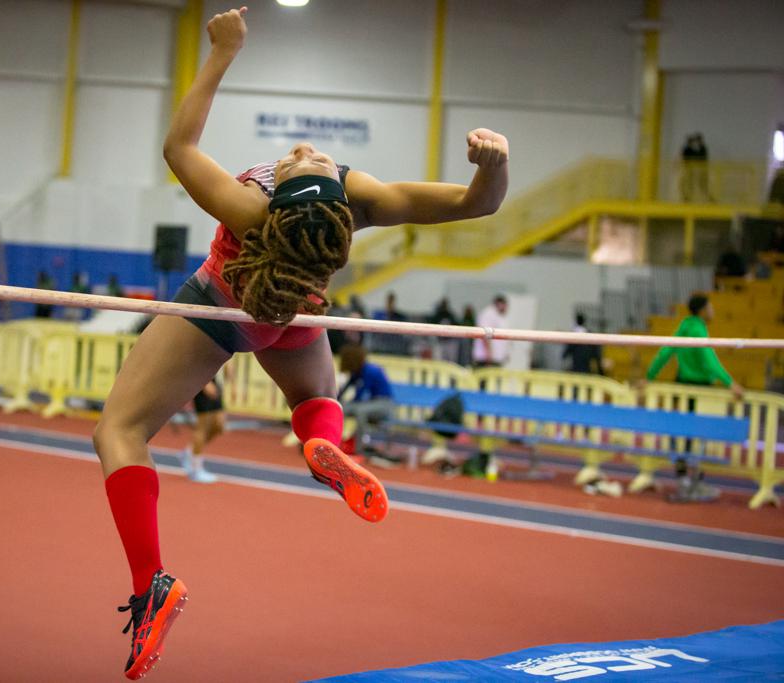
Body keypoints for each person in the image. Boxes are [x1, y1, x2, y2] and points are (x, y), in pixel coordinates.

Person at [93, 8, 508, 679]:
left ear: (276, 193)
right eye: (307, 156)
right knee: (315, 392)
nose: (305, 151)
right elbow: (477, 204)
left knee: (120, 429)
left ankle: (151, 587)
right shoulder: (356, 196)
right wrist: (496, 165)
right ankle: (325, 443)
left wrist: (223, 53)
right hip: (294, 306)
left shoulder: (250, 206)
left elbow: (177, 150)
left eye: (301, 161)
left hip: (225, 301)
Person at [642, 293, 743, 503]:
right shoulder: (697, 329)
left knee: (682, 433)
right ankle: (692, 481)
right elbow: (709, 359)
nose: (713, 310)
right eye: (710, 307)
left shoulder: (683, 326)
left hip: (683, 386)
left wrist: (649, 377)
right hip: (699, 390)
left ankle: (684, 478)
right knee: (696, 434)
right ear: (703, 310)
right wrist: (729, 382)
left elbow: (665, 352)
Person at [337, 344, 395, 458]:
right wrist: (337, 401)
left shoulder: (370, 370)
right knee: (339, 408)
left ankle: (359, 448)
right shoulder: (357, 371)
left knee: (360, 410)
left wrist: (351, 404)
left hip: (384, 404)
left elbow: (362, 394)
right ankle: (331, 441)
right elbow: (346, 389)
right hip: (369, 403)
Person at [178, 380, 222, 483]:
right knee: (202, 426)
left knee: (219, 425)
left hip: (215, 379)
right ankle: (196, 470)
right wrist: (205, 382)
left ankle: (189, 452)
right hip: (204, 380)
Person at [472, 295, 510, 368]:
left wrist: (506, 353)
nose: (506, 308)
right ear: (500, 304)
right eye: (505, 306)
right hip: (486, 358)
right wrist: (488, 354)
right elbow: (484, 334)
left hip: (496, 358)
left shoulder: (500, 316)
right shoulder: (488, 314)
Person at [680, 133, 711, 202]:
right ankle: (686, 197)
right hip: (689, 169)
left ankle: (706, 198)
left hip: (699, 169)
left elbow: (701, 158)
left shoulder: (702, 149)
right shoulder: (688, 149)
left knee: (701, 184)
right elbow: (686, 158)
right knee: (688, 183)